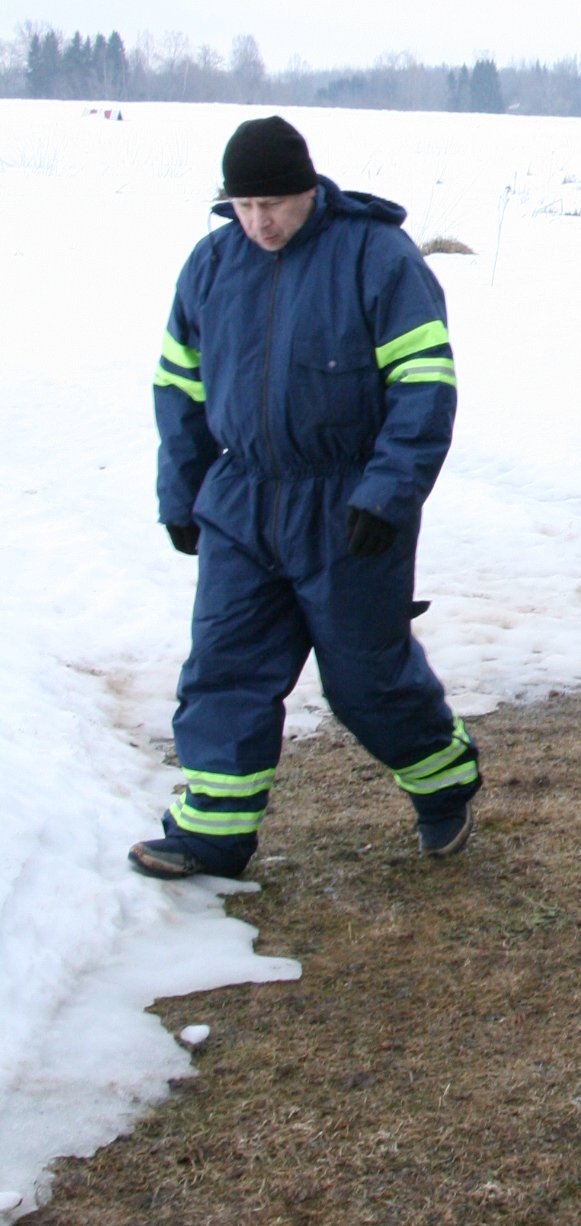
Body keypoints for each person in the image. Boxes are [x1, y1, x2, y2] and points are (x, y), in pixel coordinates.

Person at [135, 115, 479, 878]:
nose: (260, 221)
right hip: (241, 500)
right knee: (225, 669)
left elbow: (424, 389)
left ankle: (444, 785)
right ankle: (212, 835)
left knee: (364, 680)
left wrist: (387, 497)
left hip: (345, 504)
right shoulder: (212, 264)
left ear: (308, 190)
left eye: (275, 204)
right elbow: (178, 387)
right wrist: (181, 495)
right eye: (244, 205)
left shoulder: (376, 257)